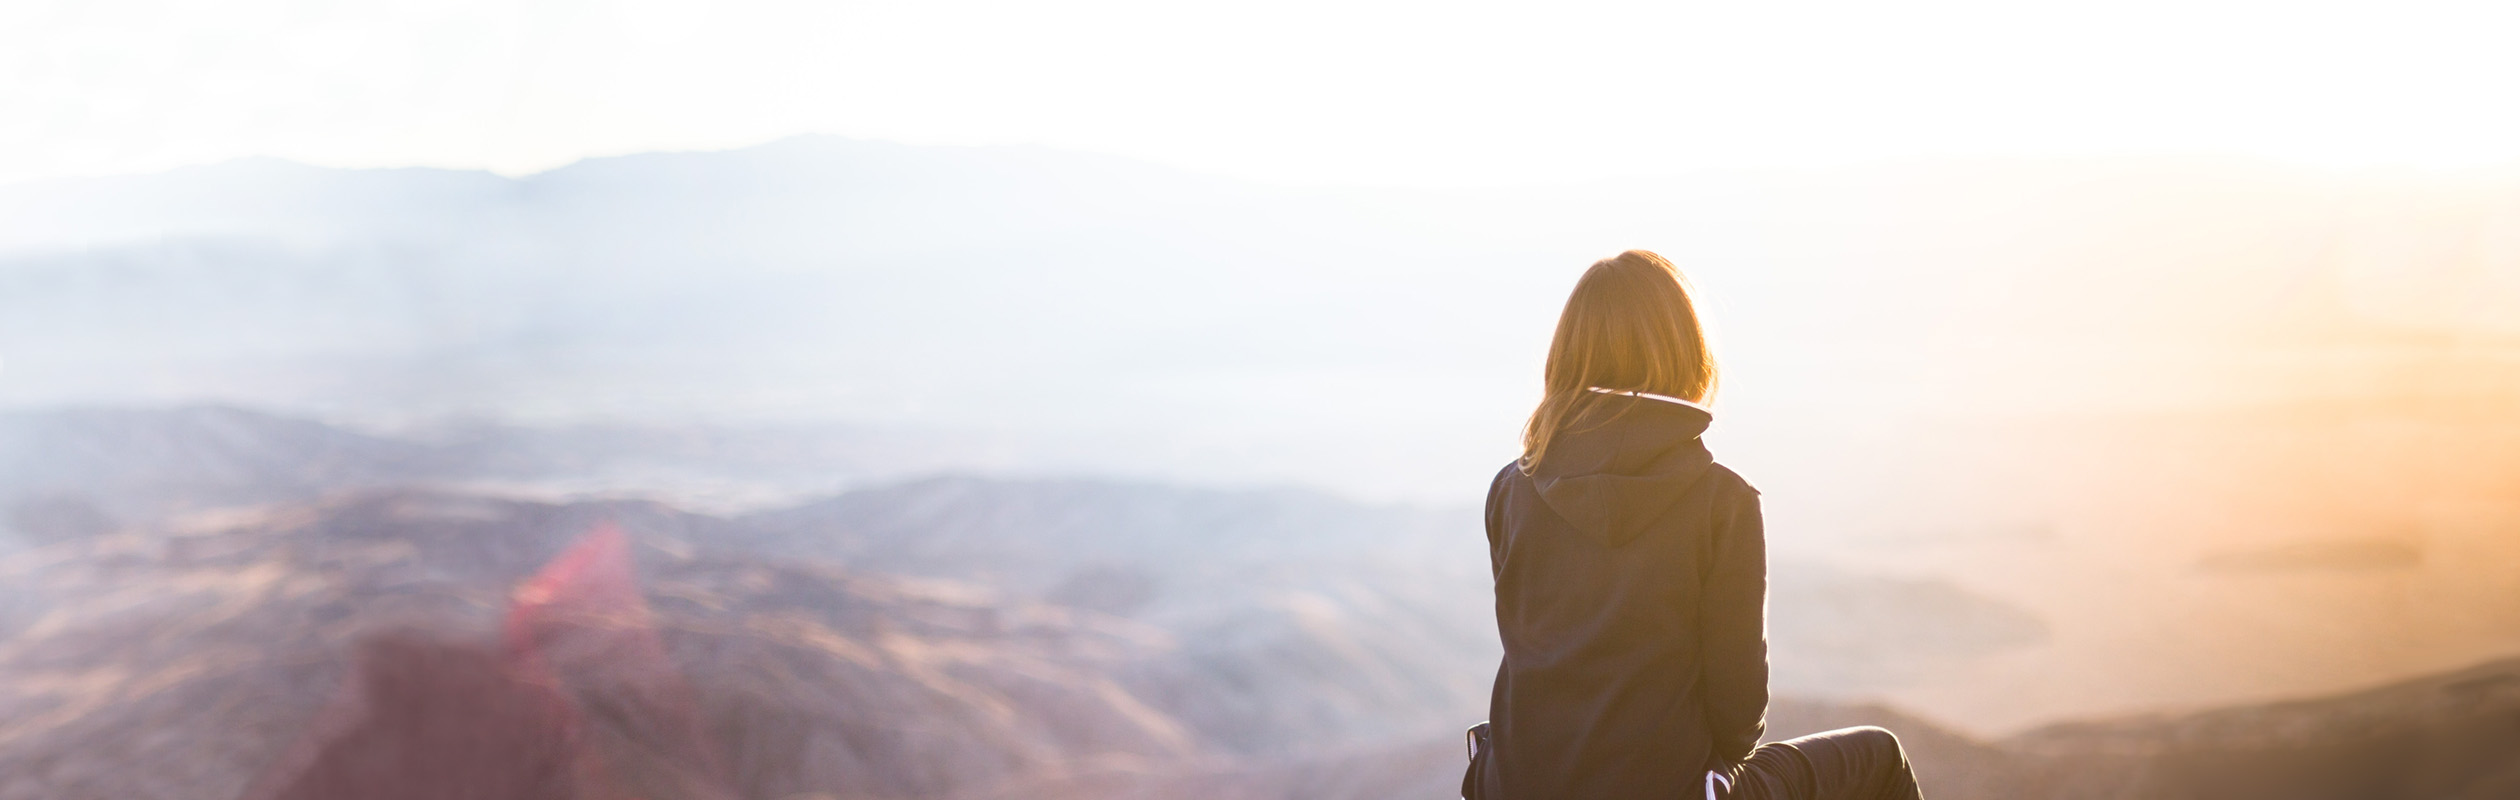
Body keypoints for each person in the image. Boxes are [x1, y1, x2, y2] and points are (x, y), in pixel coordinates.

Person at [1464, 250, 1923, 800]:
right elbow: (1738, 713)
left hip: (1517, 788)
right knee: (1878, 755)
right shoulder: (1721, 503)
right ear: (1685, 351)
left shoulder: (1511, 490)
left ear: (1567, 355)